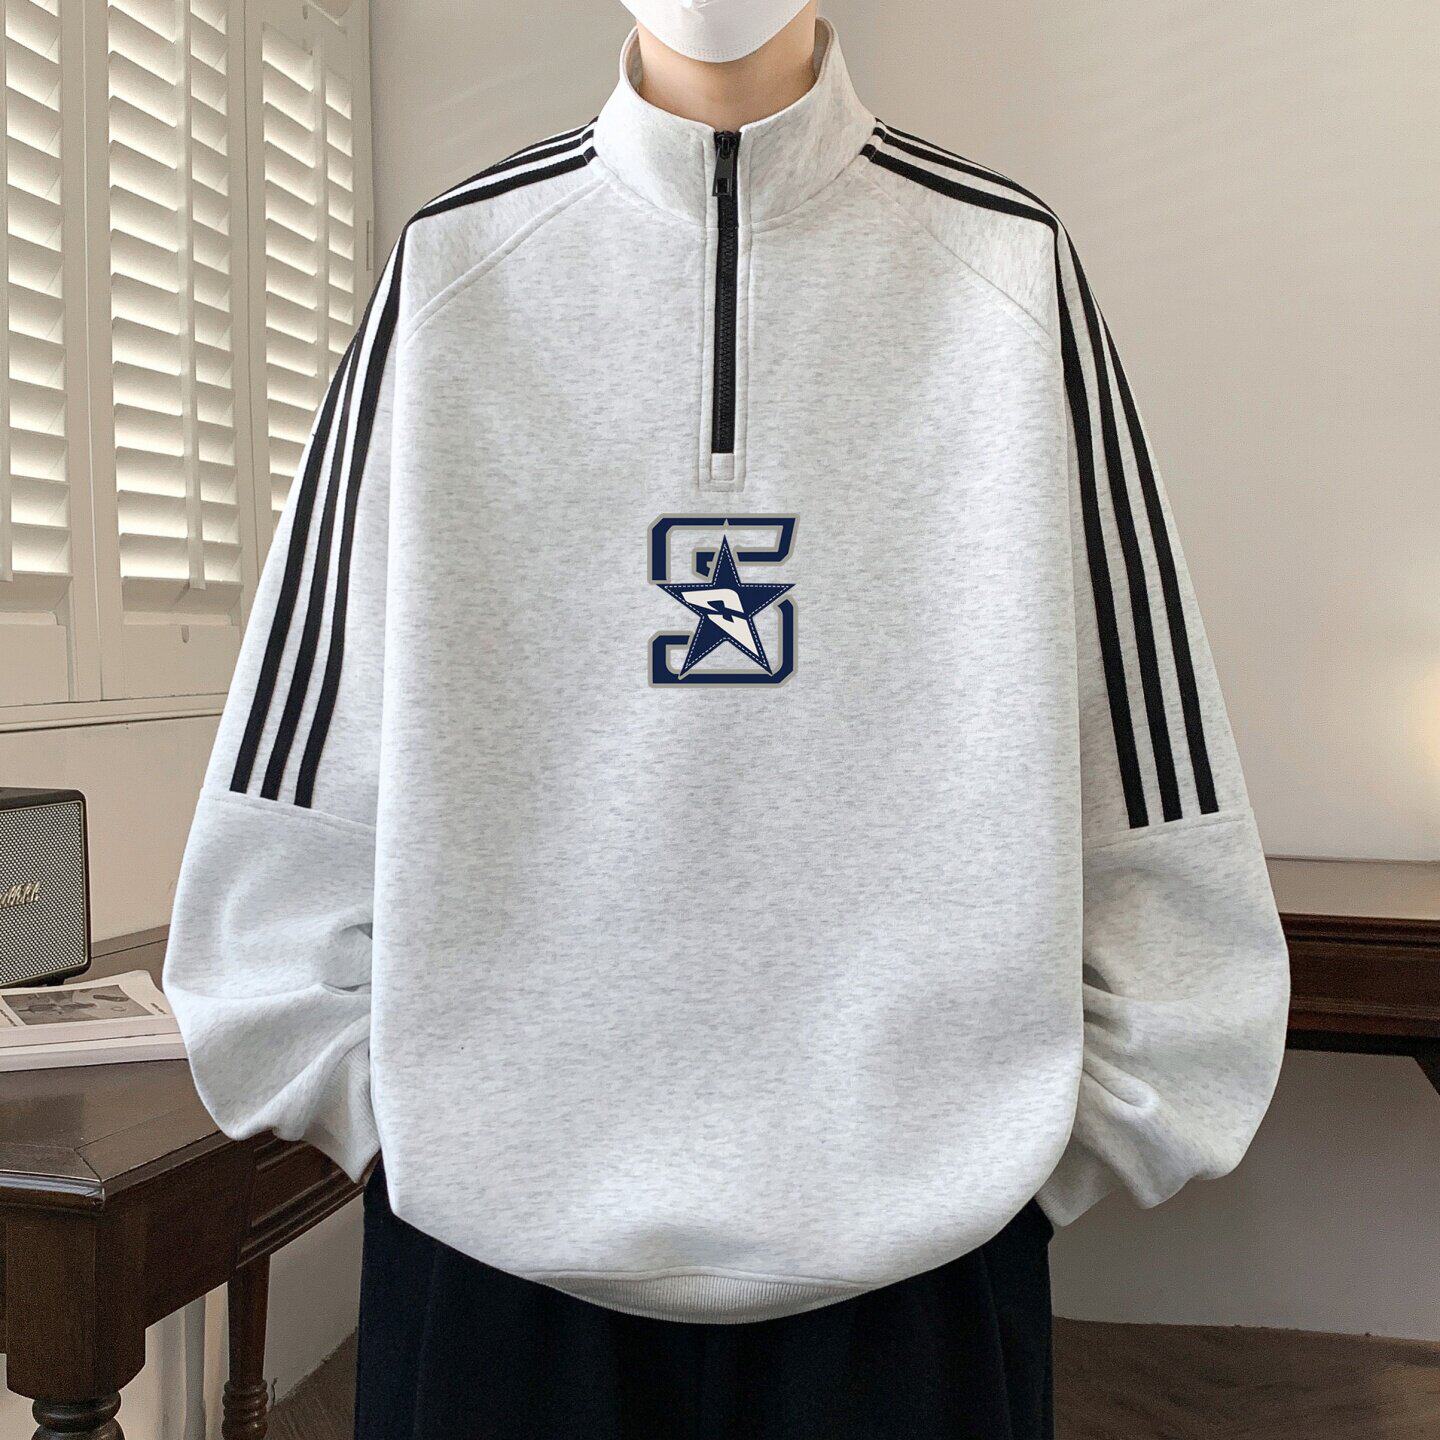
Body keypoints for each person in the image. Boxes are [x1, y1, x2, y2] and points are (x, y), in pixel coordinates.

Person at [163, 2, 1291, 1436]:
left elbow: (1147, 766)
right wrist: (419, 1136)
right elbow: (290, 788)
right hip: (492, 1272)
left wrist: (1003, 1169)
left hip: (919, 1273)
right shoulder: (453, 265)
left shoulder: (1009, 265)